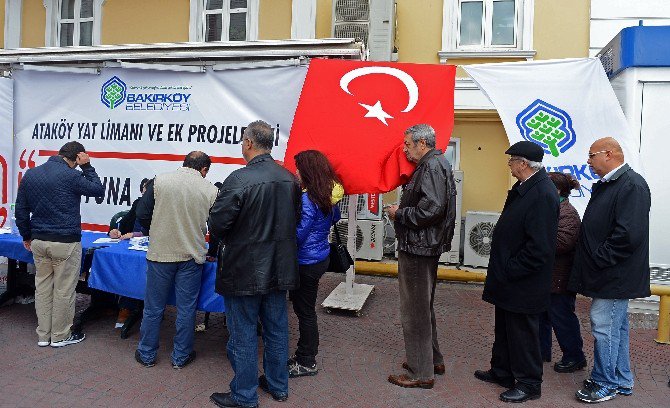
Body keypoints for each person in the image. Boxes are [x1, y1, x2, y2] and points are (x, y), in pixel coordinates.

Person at [209, 120, 301, 408]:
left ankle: (245, 395)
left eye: (242, 141)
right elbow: (294, 220)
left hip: (244, 270)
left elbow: (218, 223)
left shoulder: (239, 179)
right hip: (279, 267)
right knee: (276, 329)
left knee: (244, 333)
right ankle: (278, 386)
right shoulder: (289, 179)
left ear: (248, 143)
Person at [474, 141, 559, 403]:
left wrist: (511, 268)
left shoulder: (543, 193)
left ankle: (529, 383)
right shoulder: (525, 187)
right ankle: (502, 371)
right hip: (510, 278)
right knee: (506, 328)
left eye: (511, 161)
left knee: (523, 333)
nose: (509, 165)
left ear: (523, 164)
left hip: (523, 280)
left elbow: (540, 247)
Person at [570, 137, 651, 403]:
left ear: (610, 154)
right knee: (616, 328)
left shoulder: (631, 185)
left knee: (605, 326)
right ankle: (621, 380)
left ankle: (606, 382)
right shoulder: (612, 185)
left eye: (591, 156)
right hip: (610, 272)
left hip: (615, 274)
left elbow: (628, 235)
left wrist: (598, 259)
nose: (588, 162)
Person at [384, 124, 457, 390]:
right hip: (424, 245)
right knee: (423, 306)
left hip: (418, 247)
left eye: (407, 144)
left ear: (422, 143)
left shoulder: (431, 166)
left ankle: (420, 371)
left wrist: (399, 213)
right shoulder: (437, 163)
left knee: (414, 310)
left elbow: (432, 208)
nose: (405, 149)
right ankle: (432, 360)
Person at [14, 141, 104, 348]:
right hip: (65, 242)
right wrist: (87, 167)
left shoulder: (32, 174)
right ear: (78, 157)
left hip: (39, 240)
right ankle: (61, 336)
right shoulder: (73, 175)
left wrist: (27, 236)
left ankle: (43, 335)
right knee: (64, 290)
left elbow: (21, 210)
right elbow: (98, 190)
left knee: (43, 288)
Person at [134, 151, 218, 369]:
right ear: (204, 169)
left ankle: (146, 354)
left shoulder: (160, 181)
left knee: (153, 308)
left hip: (161, 253)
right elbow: (218, 226)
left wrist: (156, 230)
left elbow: (142, 213)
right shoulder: (210, 189)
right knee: (186, 309)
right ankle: (181, 356)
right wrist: (214, 250)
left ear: (184, 163)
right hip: (192, 256)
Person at [288, 150, 344, 378]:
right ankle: (304, 355)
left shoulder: (307, 199)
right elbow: (336, 218)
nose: (296, 172)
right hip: (320, 256)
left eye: (299, 168)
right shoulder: (327, 195)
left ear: (308, 171)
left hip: (305, 261)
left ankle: (307, 360)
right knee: (305, 310)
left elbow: (298, 235)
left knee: (305, 312)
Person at [539, 172, 586, 373]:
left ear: (557, 190)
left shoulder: (567, 212)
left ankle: (575, 357)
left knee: (562, 317)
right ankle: (541, 351)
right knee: (542, 315)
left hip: (560, 277)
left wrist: (535, 237)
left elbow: (562, 243)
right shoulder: (553, 208)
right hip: (549, 276)